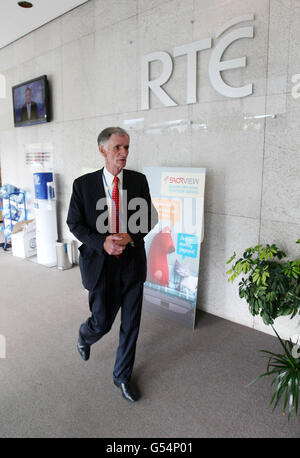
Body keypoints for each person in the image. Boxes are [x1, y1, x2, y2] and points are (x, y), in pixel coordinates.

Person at [66, 127, 158, 402]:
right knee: (102, 322)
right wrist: (100, 242)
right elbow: (75, 224)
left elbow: (149, 218)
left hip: (131, 262)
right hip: (100, 265)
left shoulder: (138, 181)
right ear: (102, 150)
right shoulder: (83, 185)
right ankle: (86, 335)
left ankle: (122, 377)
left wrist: (133, 233)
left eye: (127, 147)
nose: (124, 153)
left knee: (131, 323)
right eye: (118, 147)